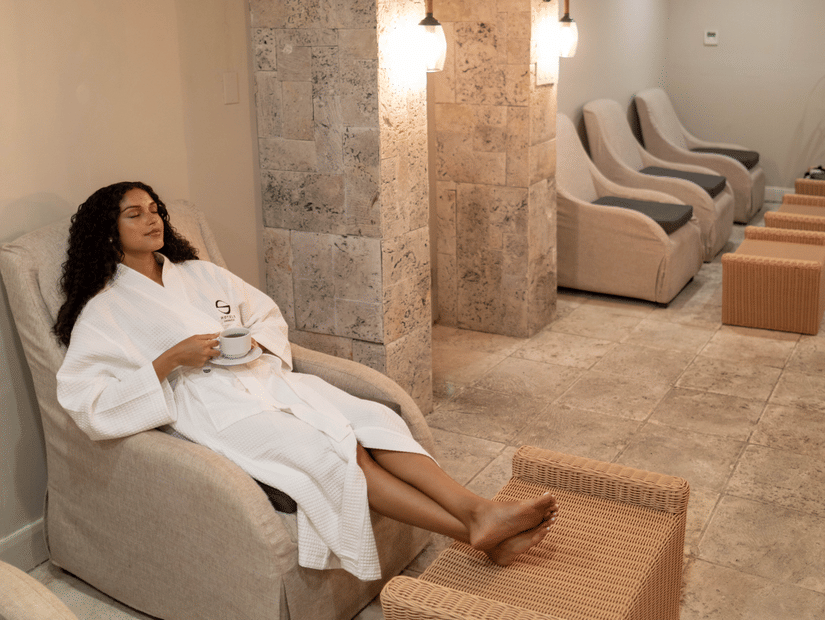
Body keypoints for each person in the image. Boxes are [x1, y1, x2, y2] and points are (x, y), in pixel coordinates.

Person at [54, 181, 559, 580]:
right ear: (108, 230)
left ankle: (479, 513)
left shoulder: (200, 274)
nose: (152, 219)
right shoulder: (105, 310)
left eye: (155, 209)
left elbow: (265, 314)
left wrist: (255, 342)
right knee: (331, 453)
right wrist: (168, 360)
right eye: (134, 213)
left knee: (372, 418)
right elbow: (86, 402)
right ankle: (474, 526)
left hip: (265, 380)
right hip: (215, 410)